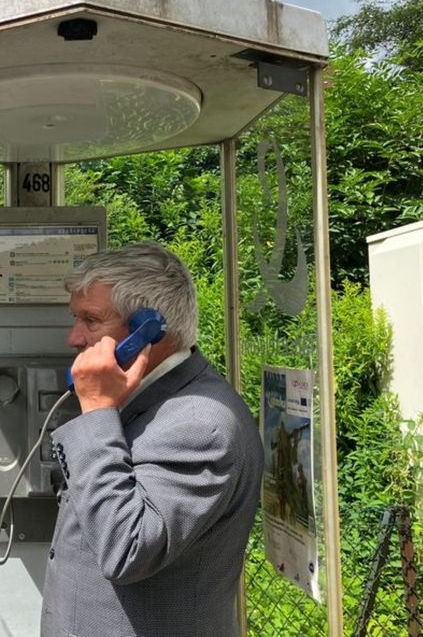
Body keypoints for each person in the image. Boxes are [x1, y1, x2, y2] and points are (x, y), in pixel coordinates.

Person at [40, 242, 264, 637]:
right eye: (76, 319)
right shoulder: (147, 401)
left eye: (91, 320)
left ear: (149, 329)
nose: (74, 337)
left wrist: (95, 411)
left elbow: (127, 549)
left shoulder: (200, 423)